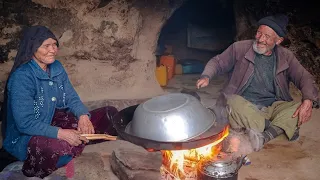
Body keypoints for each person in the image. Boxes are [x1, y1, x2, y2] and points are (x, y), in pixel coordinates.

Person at [0, 25, 119, 178]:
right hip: (29, 133)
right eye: (46, 46)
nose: (53, 50)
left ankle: (76, 140)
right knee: (56, 147)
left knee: (110, 114)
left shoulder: (56, 67)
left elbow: (71, 97)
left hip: (55, 121)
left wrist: (83, 115)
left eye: (55, 44)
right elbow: (24, 123)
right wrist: (61, 134)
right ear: (32, 48)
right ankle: (74, 142)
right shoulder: (22, 77)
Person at [196, 14, 319, 152]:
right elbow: (218, 62)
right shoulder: (240, 48)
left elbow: (304, 77)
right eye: (259, 33)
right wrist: (206, 75)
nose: (260, 39)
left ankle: (262, 136)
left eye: (266, 36)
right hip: (245, 107)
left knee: (297, 107)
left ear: (278, 40)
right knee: (231, 101)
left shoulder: (286, 56)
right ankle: (276, 128)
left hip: (273, 107)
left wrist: (308, 100)